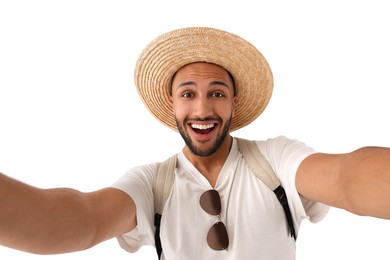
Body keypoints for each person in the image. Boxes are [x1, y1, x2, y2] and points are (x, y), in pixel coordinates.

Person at [0, 27, 389, 259]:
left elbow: (346, 177)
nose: (202, 109)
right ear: (172, 104)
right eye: (187, 94)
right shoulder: (151, 184)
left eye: (217, 93)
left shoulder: (275, 159)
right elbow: (81, 219)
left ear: (234, 102)